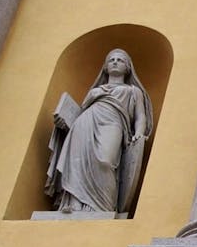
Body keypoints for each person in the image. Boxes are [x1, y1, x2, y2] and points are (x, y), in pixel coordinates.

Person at [45, 49, 153, 213]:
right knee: (78, 160)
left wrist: (139, 133)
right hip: (85, 122)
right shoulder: (95, 90)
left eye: (120, 60)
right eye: (111, 60)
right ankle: (74, 204)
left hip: (113, 123)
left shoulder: (133, 91)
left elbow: (140, 116)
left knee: (106, 161)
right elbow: (79, 112)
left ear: (127, 68)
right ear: (105, 67)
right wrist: (63, 122)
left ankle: (103, 207)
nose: (115, 62)